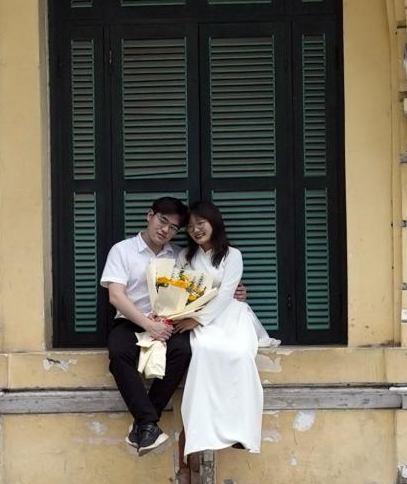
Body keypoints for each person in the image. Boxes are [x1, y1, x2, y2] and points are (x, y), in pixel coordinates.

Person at [171, 201, 276, 457]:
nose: (196, 230)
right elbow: (176, 287)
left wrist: (198, 320)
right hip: (197, 316)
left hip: (230, 315)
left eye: (201, 223)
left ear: (214, 223)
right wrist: (191, 316)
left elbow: (227, 293)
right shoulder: (185, 256)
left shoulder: (232, 255)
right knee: (204, 350)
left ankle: (241, 430)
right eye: (190, 226)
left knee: (240, 354)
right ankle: (205, 431)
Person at [100, 196, 191, 455]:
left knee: (183, 351)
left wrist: (236, 293)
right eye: (163, 221)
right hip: (131, 320)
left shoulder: (178, 255)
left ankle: (145, 423)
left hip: (168, 323)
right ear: (149, 215)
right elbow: (116, 296)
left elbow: (200, 286)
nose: (165, 230)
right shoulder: (122, 250)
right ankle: (148, 422)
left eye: (173, 227)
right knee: (119, 353)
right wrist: (148, 325)